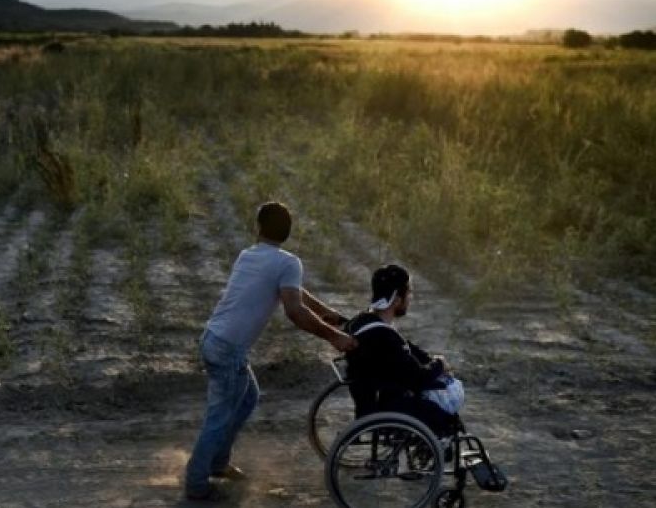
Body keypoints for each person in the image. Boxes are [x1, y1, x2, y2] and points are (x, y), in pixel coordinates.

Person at [184, 201, 357, 501]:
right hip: (228, 349)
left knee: (247, 397)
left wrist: (330, 314)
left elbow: (295, 293)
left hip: (215, 340)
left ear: (258, 228)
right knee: (220, 416)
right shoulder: (288, 262)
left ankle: (217, 463)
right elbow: (294, 310)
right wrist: (334, 337)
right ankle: (197, 483)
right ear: (289, 232)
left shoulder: (250, 255)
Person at [343, 264, 456, 436]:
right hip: (391, 409)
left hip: (370, 402)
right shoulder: (384, 337)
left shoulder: (361, 322)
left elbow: (404, 347)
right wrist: (439, 364)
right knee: (449, 419)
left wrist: (428, 359)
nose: (411, 298)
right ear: (397, 300)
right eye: (409, 293)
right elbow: (418, 378)